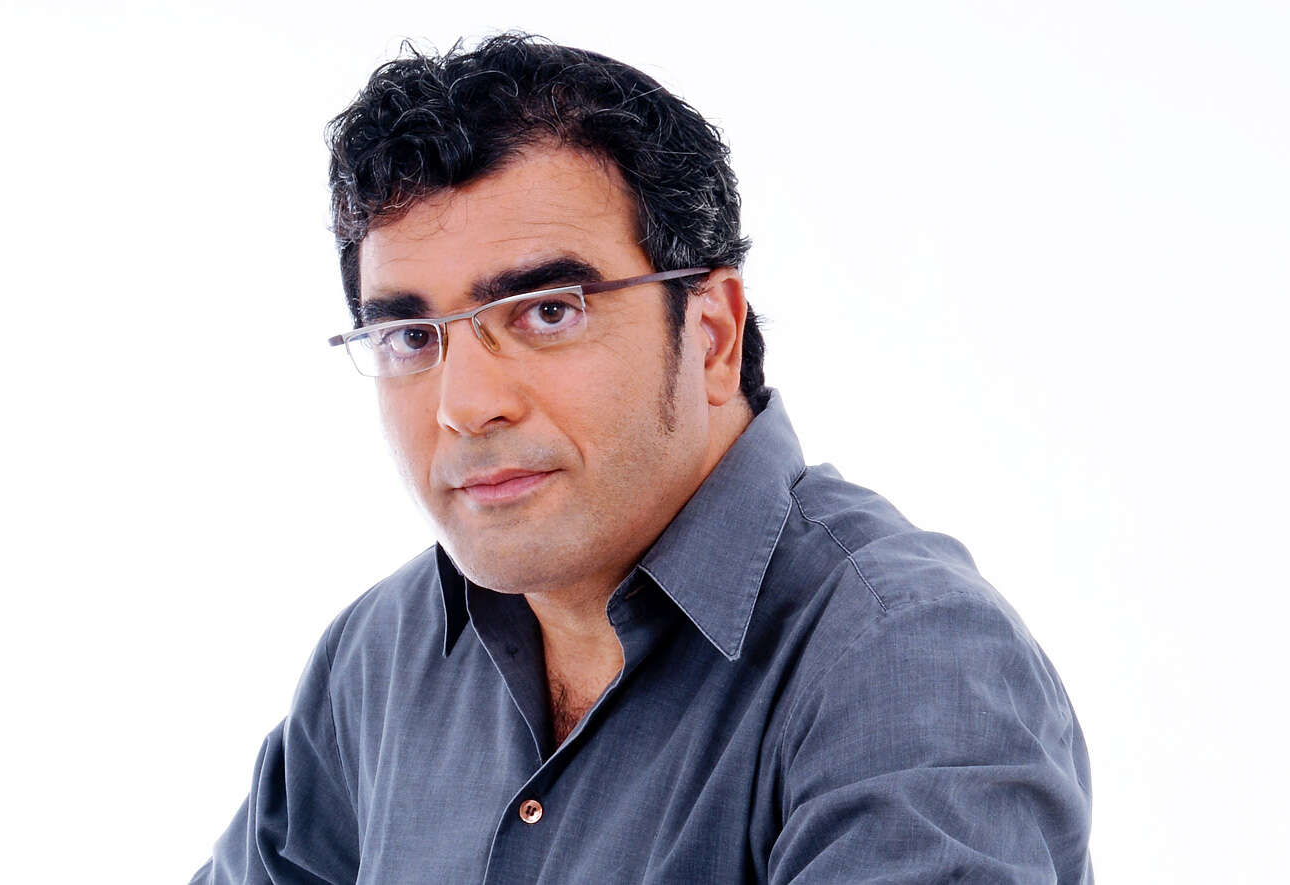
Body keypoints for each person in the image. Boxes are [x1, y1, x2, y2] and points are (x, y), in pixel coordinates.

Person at [191, 34, 1093, 884]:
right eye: (410, 336)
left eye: (547, 311)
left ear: (712, 333)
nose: (464, 405)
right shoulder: (379, 658)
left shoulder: (905, 660)